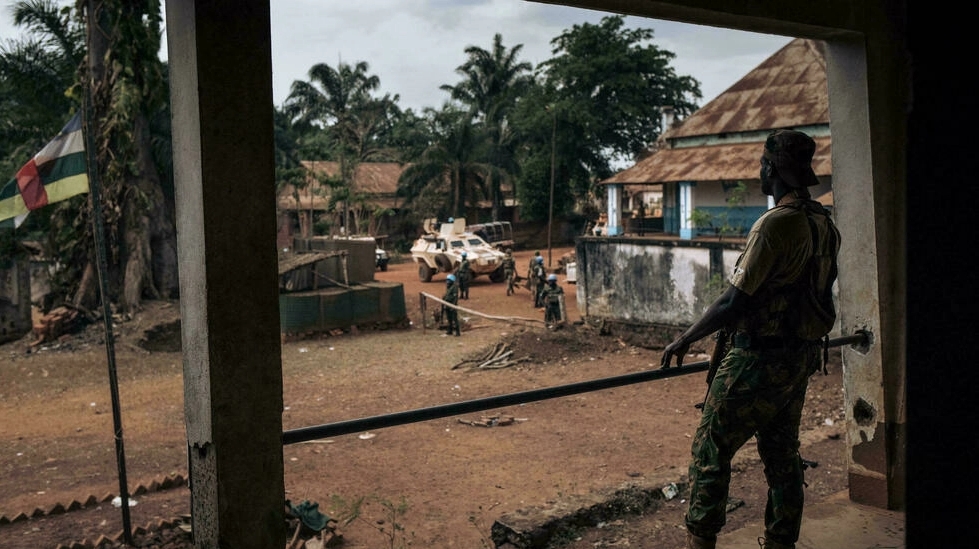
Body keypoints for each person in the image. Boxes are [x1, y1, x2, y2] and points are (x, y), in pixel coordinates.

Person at [659, 130, 841, 549]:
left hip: (757, 358)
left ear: (771, 169)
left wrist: (686, 339)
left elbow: (734, 300)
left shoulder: (775, 226)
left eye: (763, 163)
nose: (760, 169)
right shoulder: (823, 225)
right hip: (797, 358)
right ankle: (782, 541)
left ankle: (701, 540)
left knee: (710, 450)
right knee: (782, 456)